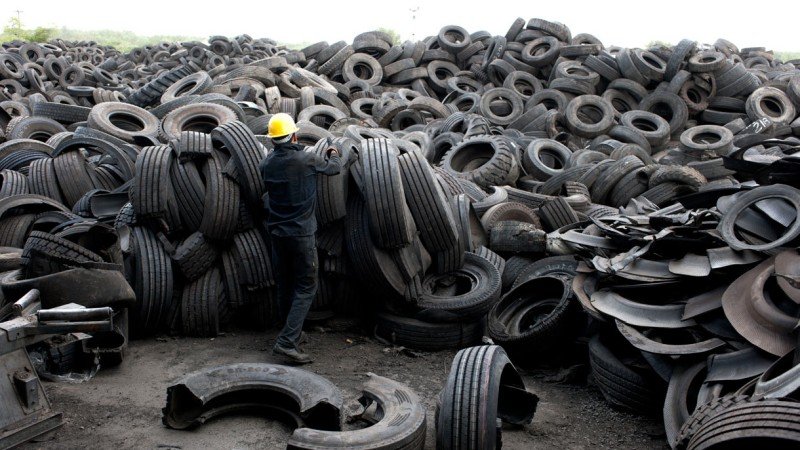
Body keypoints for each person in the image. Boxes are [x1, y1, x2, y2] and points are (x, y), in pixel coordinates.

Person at [259, 113, 342, 364]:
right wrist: (333, 150)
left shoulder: (266, 164)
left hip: (277, 234)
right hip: (302, 234)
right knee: (306, 287)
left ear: (273, 139)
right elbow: (334, 169)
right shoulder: (306, 159)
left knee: (285, 285)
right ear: (294, 135)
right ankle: (287, 342)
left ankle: (290, 331)